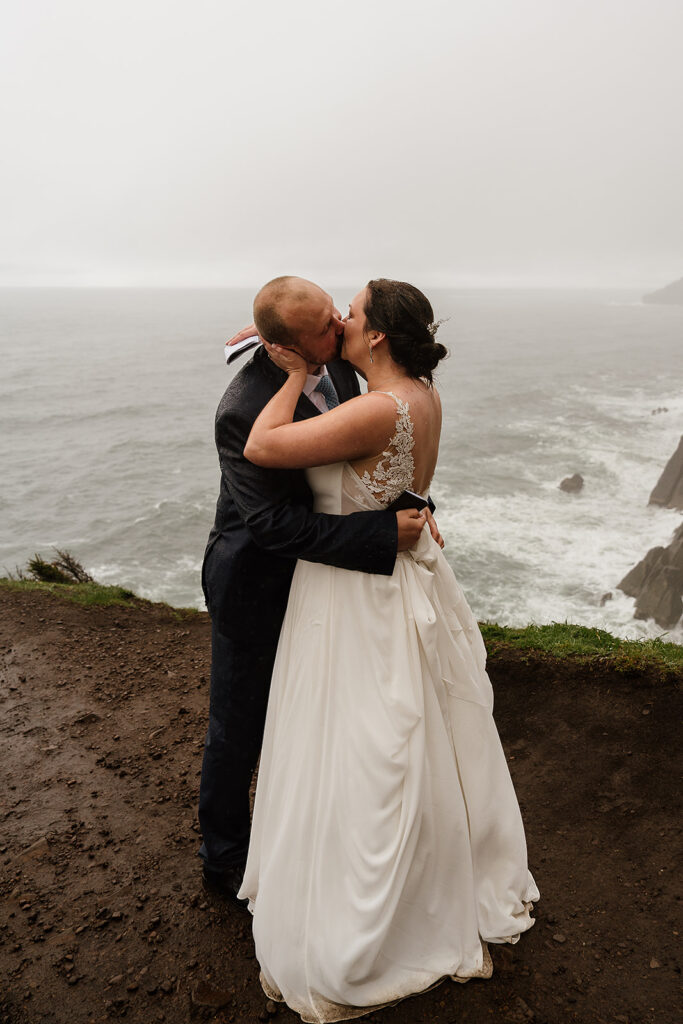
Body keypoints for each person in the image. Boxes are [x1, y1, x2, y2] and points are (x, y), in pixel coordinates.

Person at [238, 278, 539, 1023]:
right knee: (409, 738)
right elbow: (401, 485)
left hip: (353, 596)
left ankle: (374, 910)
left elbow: (260, 445)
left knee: (358, 745)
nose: (341, 318)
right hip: (398, 575)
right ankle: (432, 875)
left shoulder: (375, 407)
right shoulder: (421, 397)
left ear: (374, 337)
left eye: (354, 312)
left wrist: (296, 373)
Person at [199, 276, 440, 901]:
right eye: (326, 328)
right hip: (258, 577)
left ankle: (319, 843)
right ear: (288, 347)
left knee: (322, 721)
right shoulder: (240, 410)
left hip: (326, 587)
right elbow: (273, 525)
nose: (340, 327)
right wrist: (382, 534)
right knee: (238, 724)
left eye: (340, 315)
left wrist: (408, 503)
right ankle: (223, 857)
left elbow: (374, 449)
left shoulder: (338, 361)